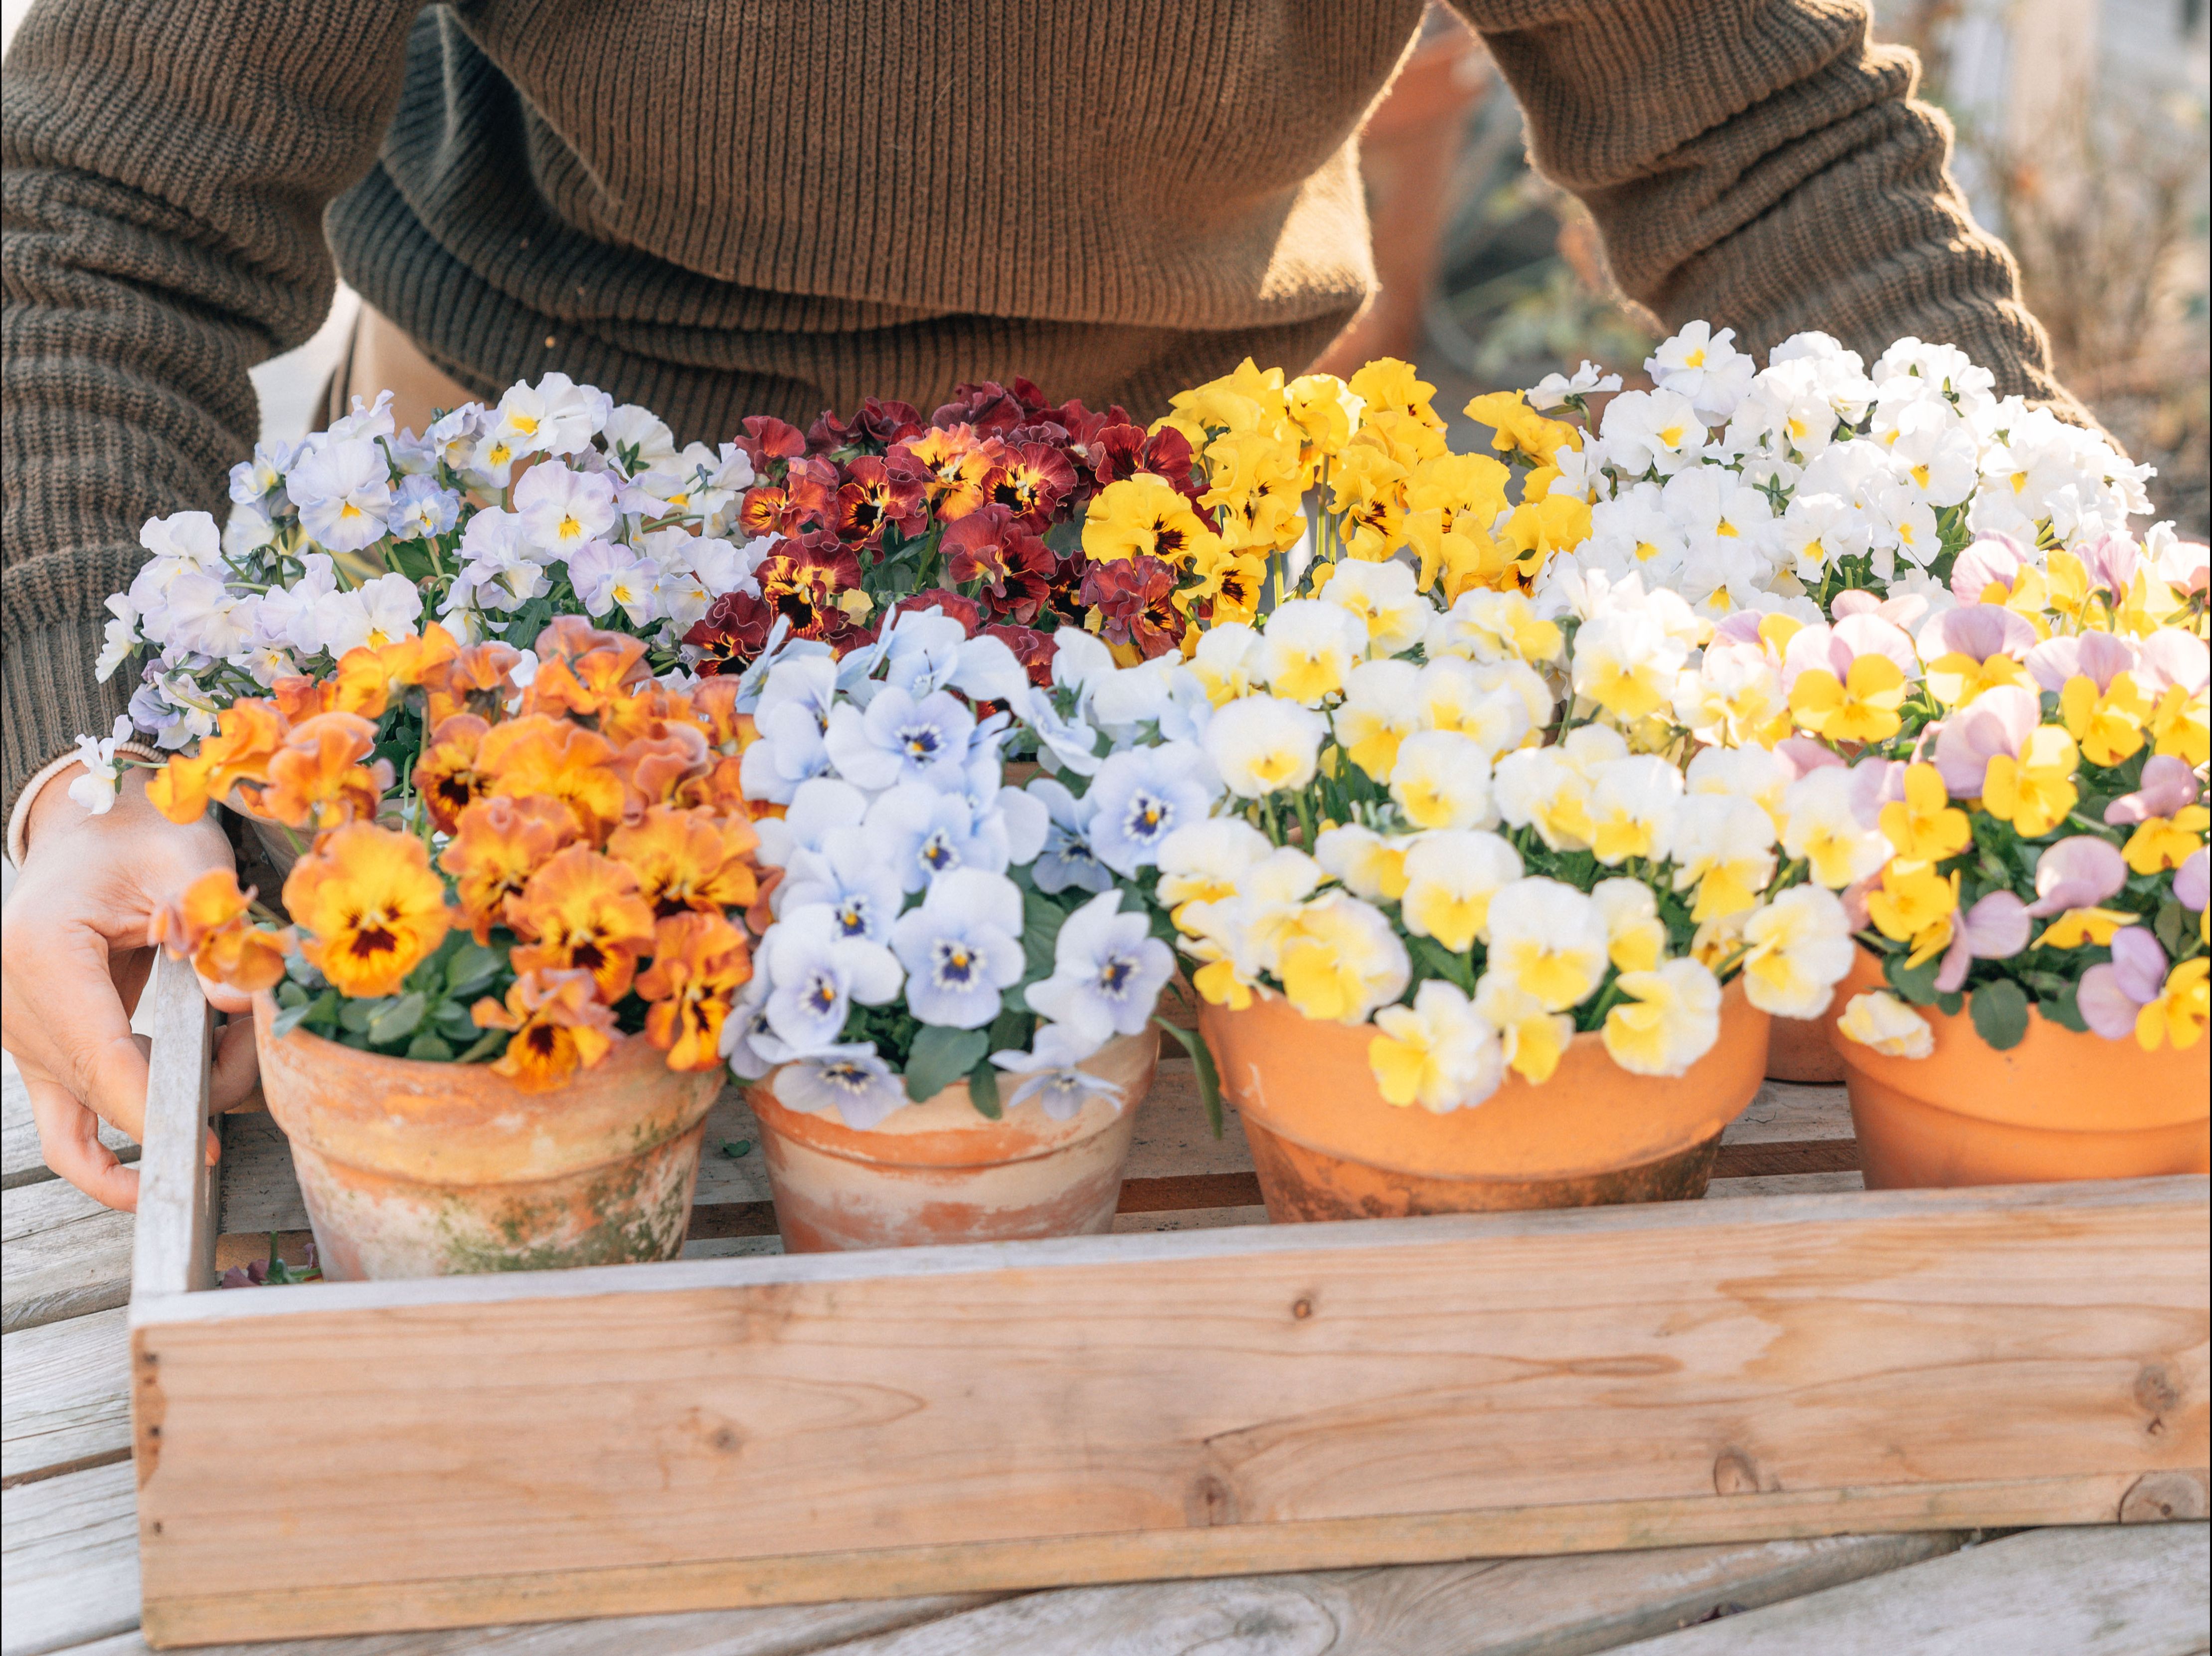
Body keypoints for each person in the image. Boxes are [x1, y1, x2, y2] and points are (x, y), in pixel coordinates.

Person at [1, 0, 2091, 1209]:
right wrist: (81, 775)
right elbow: (109, 210)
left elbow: (1770, 133)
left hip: (1161, 610)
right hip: (547, 619)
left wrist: (2086, 644)